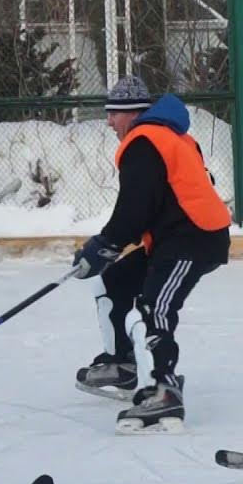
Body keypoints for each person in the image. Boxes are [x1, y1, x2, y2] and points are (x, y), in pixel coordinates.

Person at [72, 76, 231, 434]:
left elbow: (136, 207)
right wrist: (109, 250)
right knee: (114, 280)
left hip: (194, 238)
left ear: (131, 113)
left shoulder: (144, 142)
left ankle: (163, 390)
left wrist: (105, 244)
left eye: (113, 114)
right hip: (173, 236)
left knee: (151, 308)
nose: (110, 122)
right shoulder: (171, 136)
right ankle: (124, 365)